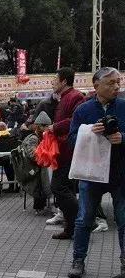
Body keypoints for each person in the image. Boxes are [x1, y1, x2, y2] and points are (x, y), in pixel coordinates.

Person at [67, 67, 125, 278]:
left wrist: (122, 138)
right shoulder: (83, 110)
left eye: (118, 82)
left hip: (120, 174)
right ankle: (78, 260)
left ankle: (124, 264)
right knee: (83, 220)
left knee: (123, 220)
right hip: (91, 174)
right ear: (96, 85)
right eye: (111, 83)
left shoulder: (123, 106)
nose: (116, 87)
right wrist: (88, 133)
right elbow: (71, 140)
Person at [49, 67, 85, 240]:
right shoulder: (63, 98)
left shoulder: (76, 97)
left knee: (58, 187)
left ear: (64, 81)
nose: (53, 82)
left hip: (69, 150)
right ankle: (71, 229)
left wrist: (55, 127)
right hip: (61, 150)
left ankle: (84, 219)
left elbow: (75, 120)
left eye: (55, 79)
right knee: (65, 188)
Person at [20, 111, 52, 212]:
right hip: (32, 169)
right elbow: (33, 155)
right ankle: (40, 204)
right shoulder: (33, 138)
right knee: (44, 173)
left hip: (40, 165)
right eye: (46, 126)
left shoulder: (45, 137)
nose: (48, 128)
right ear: (40, 127)